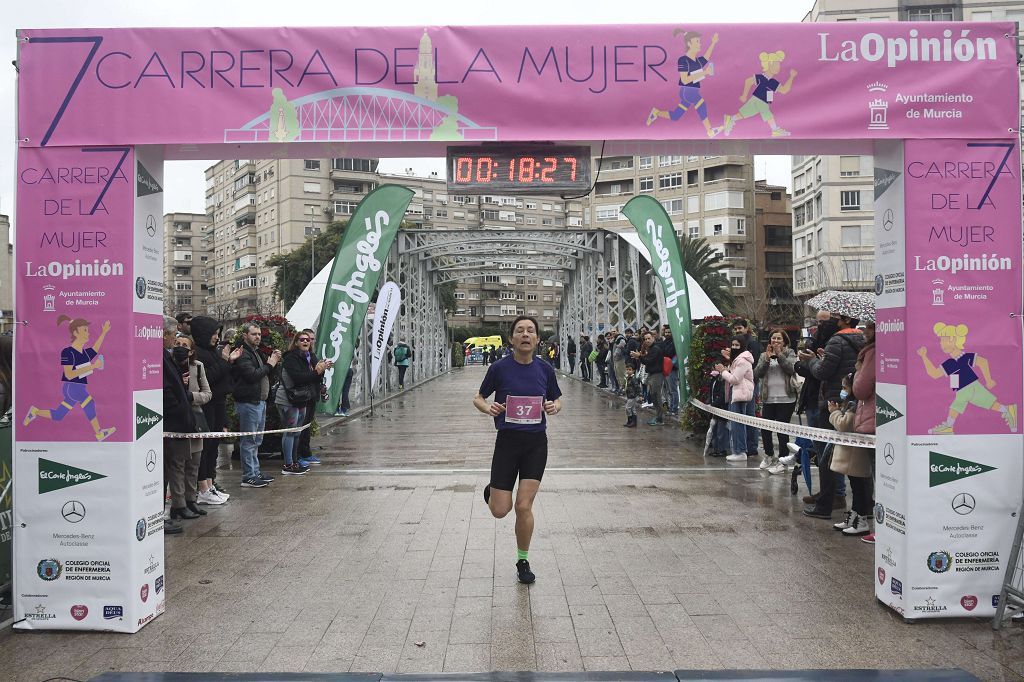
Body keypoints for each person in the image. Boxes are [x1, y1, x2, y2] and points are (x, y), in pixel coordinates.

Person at [475, 315, 562, 585]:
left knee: (524, 506)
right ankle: (493, 493)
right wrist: (488, 408)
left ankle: (523, 560)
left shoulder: (545, 369)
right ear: (511, 338)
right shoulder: (499, 368)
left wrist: (554, 407)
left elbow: (557, 399)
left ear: (537, 339)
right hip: (507, 443)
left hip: (535, 444)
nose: (525, 334)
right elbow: (479, 397)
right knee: (500, 510)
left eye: (531, 331)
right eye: (520, 330)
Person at [802, 315, 864, 520]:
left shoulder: (836, 340)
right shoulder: (863, 339)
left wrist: (812, 361)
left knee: (826, 453)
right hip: (856, 402)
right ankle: (865, 505)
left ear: (845, 320)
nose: (832, 321)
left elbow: (822, 372)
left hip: (833, 404)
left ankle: (825, 504)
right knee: (858, 455)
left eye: (837, 317)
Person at [23, 315, 116, 442]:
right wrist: (93, 366)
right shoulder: (67, 352)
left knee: (58, 415)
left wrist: (104, 332)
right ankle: (99, 433)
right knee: (89, 403)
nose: (88, 333)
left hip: (77, 388)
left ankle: (35, 412)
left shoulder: (84, 353)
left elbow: (95, 349)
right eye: (85, 330)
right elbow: (69, 374)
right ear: (76, 333)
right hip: (72, 387)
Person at [918, 322, 1018, 434]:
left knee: (958, 403)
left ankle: (949, 426)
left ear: (952, 339)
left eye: (943, 340)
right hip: (966, 389)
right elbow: (934, 374)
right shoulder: (950, 363)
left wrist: (989, 380)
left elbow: (983, 362)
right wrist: (924, 357)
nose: (941, 343)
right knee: (989, 403)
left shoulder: (964, 357)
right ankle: (1007, 410)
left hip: (969, 387)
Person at [190, 316, 235, 506]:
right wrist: (224, 361)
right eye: (214, 334)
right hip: (206, 406)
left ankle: (209, 484)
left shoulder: (211, 352)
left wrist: (227, 361)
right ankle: (203, 488)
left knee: (213, 447)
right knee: (205, 448)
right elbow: (207, 378)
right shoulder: (198, 354)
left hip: (217, 403)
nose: (217, 337)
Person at [646, 30, 723, 138]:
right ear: (689, 44)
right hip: (688, 91)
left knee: (676, 115)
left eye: (699, 41)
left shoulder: (697, 61)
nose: (700, 44)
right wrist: (704, 72)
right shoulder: (683, 60)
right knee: (701, 105)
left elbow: (706, 57)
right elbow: (685, 79)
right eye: (697, 41)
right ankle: (709, 131)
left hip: (690, 91)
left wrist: (713, 43)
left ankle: (656, 113)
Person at [232, 323, 282, 488]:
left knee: (257, 440)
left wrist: (273, 363)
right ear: (245, 336)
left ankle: (255, 471)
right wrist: (270, 364)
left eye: (259, 334)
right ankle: (249, 476)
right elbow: (252, 375)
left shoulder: (256, 352)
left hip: (260, 401)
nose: (258, 337)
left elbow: (267, 374)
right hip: (249, 402)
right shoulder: (243, 353)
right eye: (254, 334)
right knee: (249, 440)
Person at [277, 332, 330, 475]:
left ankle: (295, 461)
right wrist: (316, 371)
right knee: (290, 431)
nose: (306, 341)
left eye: (308, 340)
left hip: (301, 399)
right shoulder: (291, 358)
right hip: (289, 399)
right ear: (296, 342)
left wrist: (321, 370)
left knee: (297, 432)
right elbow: (299, 378)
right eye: (302, 340)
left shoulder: (309, 357)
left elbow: (314, 378)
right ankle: (288, 464)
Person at [827, 374, 873, 537]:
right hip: (852, 453)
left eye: (845, 388)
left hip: (856, 454)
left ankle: (861, 521)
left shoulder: (854, 405)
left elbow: (844, 425)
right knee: (855, 486)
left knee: (859, 488)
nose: (842, 391)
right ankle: (854, 516)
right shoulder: (851, 404)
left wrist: (834, 412)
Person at [173, 335, 212, 519]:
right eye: (177, 344)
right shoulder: (169, 365)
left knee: (194, 463)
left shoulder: (198, 367)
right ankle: (178, 504)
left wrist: (191, 396)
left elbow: (207, 393)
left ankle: (191, 500)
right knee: (178, 464)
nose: (180, 347)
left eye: (184, 345)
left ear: (191, 351)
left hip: (195, 420)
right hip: (177, 420)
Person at [161, 316, 194, 532]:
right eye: (174, 335)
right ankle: (159, 515)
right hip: (170, 422)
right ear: (165, 334)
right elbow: (166, 389)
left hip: (176, 421)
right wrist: (179, 408)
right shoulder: (159, 356)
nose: (175, 340)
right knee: (165, 470)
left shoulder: (166, 355)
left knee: (174, 465)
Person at [722, 50, 798, 137]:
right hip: (759, 100)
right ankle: (775, 130)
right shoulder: (762, 78)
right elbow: (748, 81)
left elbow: (784, 90)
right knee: (766, 112)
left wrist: (791, 77)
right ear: (769, 64)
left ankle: (731, 119)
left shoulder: (773, 82)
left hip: (758, 101)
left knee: (745, 113)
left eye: (779, 65)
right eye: (776, 64)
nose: (778, 67)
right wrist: (744, 95)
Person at [753, 329, 798, 474]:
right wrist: (767, 359)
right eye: (773, 338)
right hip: (769, 398)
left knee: (782, 430)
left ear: (784, 341)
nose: (776, 341)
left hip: (787, 398)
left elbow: (791, 369)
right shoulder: (763, 355)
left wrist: (779, 355)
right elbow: (757, 373)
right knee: (765, 428)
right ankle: (769, 455)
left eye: (779, 339)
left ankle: (783, 460)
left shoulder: (790, 353)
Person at [852, 321, 877, 543]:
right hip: (880, 417)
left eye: (869, 327)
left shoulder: (872, 353)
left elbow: (861, 389)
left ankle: (880, 527)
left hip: (872, 417)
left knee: (878, 475)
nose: (864, 331)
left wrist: (857, 372)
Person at [717, 336, 755, 462]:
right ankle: (738, 450)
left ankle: (740, 451)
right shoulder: (738, 360)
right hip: (736, 394)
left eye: (737, 345)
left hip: (740, 395)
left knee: (738, 424)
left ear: (742, 346)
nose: (734, 347)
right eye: (733, 345)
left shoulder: (742, 360)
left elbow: (735, 379)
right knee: (735, 424)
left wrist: (723, 371)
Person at [732, 319, 762, 457]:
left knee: (749, 415)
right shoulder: (738, 342)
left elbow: (753, 364)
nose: (738, 331)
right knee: (741, 416)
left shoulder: (753, 343)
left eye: (740, 328)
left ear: (746, 328)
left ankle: (751, 446)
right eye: (736, 329)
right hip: (740, 384)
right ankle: (744, 446)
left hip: (750, 384)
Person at [635, 331, 665, 426]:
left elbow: (649, 361)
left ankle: (660, 419)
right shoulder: (651, 348)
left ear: (653, 338)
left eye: (649, 338)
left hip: (657, 374)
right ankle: (658, 417)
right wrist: (640, 356)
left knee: (656, 396)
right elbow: (647, 360)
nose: (647, 340)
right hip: (652, 374)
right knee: (653, 396)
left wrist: (640, 357)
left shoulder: (655, 349)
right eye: (645, 339)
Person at [661, 325, 680, 415]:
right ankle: (670, 407)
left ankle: (674, 409)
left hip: (672, 369)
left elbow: (672, 354)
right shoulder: (664, 342)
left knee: (673, 390)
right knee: (668, 390)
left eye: (669, 332)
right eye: (666, 332)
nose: (667, 334)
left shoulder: (675, 343)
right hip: (665, 368)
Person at [622, 363, 641, 428]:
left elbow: (637, 387)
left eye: (630, 370)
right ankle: (632, 422)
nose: (628, 371)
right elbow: (625, 385)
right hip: (629, 395)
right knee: (633, 409)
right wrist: (623, 389)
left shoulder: (633, 379)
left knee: (628, 408)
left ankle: (631, 420)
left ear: (633, 371)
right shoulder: (627, 378)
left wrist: (640, 395)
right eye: (627, 369)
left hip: (632, 396)